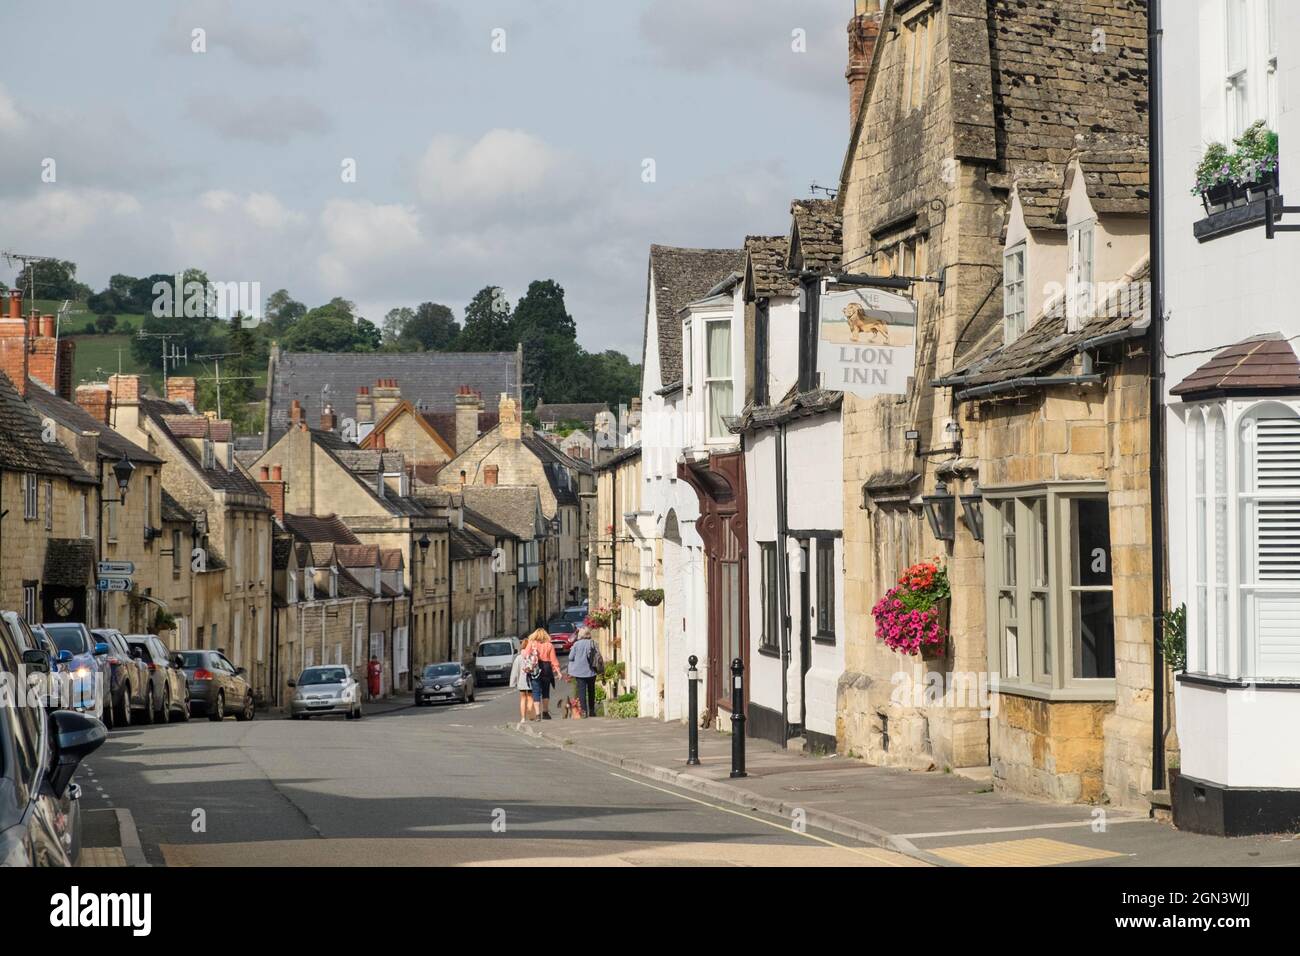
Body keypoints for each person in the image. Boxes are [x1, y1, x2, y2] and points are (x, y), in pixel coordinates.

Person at [527, 628, 562, 719]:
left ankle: (538, 714)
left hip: (535, 668)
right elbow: (553, 660)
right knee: (546, 691)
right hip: (546, 668)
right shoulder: (549, 645)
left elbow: (525, 655)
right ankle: (545, 712)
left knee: (536, 691)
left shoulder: (531, 644)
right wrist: (558, 672)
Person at [566, 628, 599, 719]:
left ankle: (584, 712)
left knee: (582, 692)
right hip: (592, 671)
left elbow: (570, 657)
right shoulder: (593, 643)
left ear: (580, 635)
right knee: (591, 691)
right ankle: (592, 710)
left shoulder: (576, 645)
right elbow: (598, 657)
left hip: (580, 672)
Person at [510, 639, 534, 728]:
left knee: (523, 698)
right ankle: (531, 715)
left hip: (521, 681)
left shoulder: (518, 657)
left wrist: (513, 683)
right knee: (530, 697)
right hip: (531, 680)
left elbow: (515, 671)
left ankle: (523, 718)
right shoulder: (532, 656)